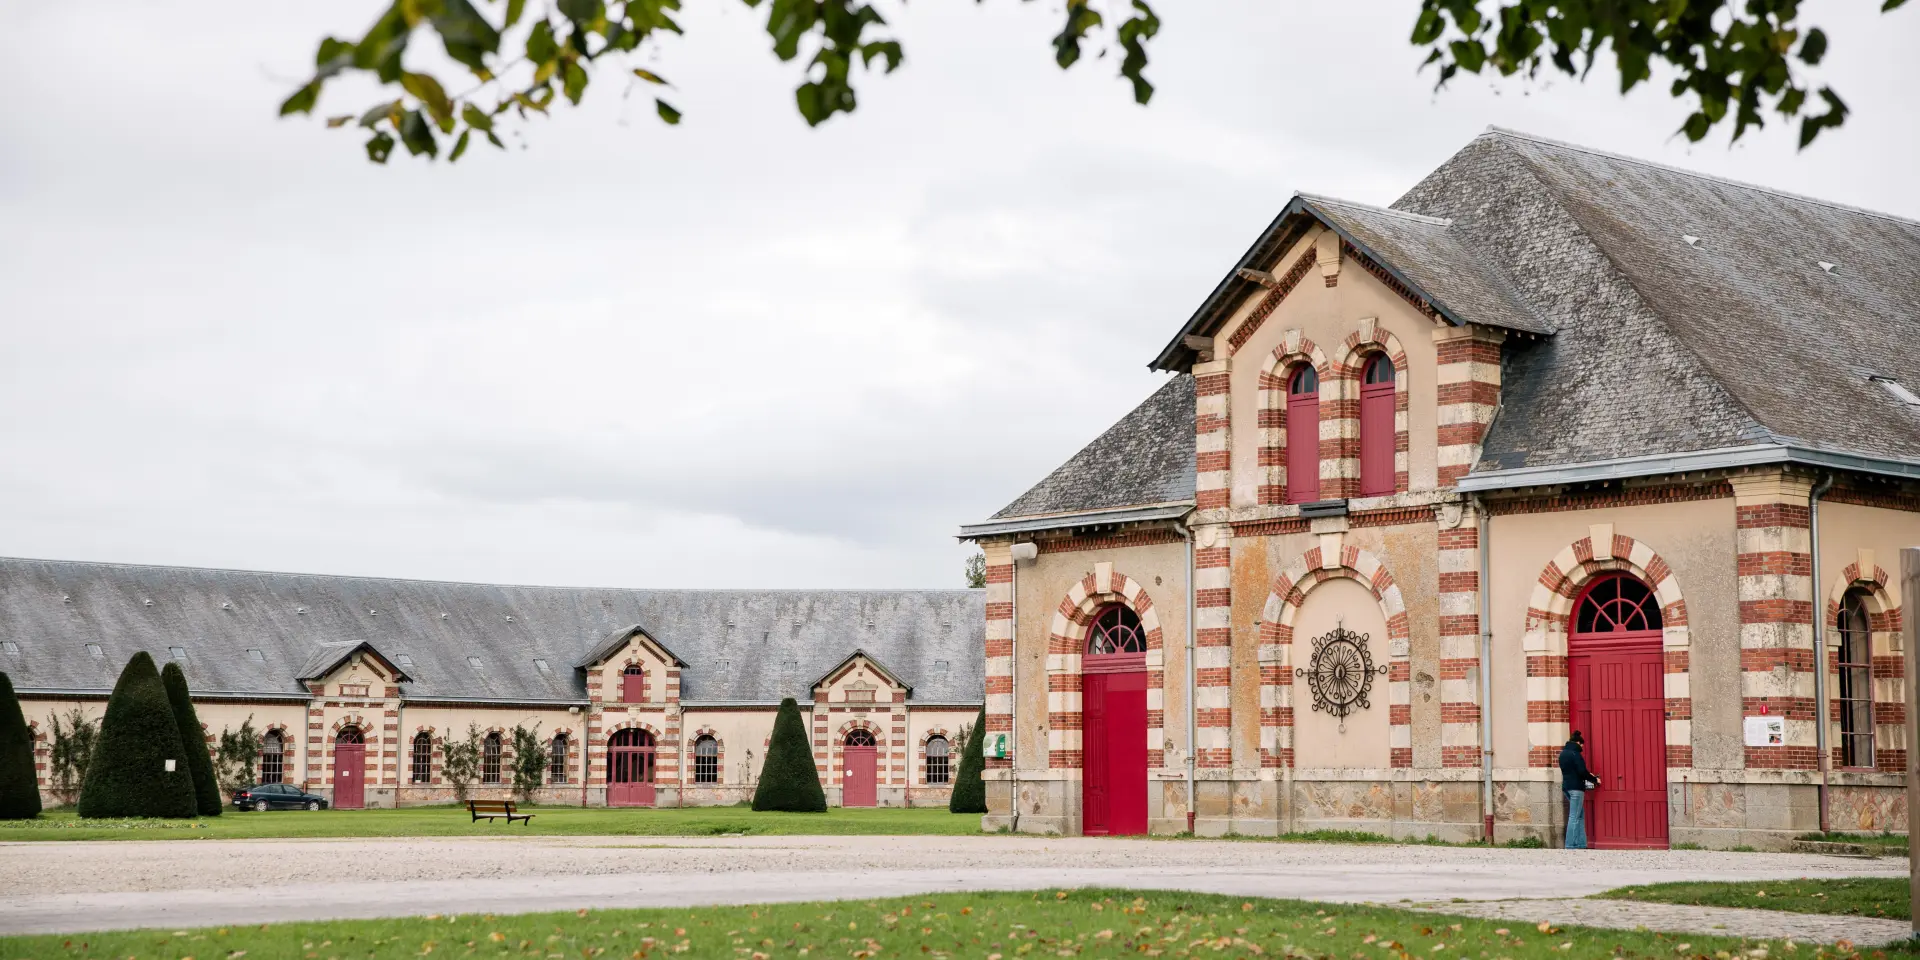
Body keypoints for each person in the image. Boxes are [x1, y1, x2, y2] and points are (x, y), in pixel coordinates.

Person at [1558, 731, 1600, 849]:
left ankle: (1581, 844)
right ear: (1577, 742)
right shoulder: (1575, 754)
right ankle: (1570, 845)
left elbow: (1573, 770)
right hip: (1576, 788)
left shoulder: (1563, 754)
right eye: (1581, 745)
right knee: (1574, 817)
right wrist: (1595, 779)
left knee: (1579, 815)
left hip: (1567, 787)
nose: (1581, 747)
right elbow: (1582, 771)